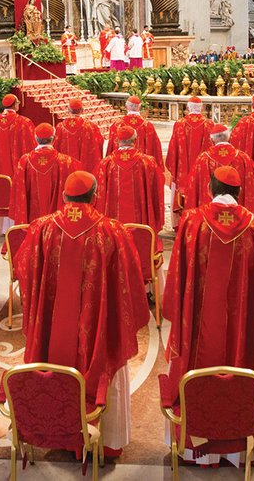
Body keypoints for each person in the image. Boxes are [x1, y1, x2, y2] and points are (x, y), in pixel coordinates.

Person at [14, 171, 149, 455]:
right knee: (105, 357)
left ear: (64, 197)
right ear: (95, 196)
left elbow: (23, 269)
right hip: (98, 330)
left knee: (50, 356)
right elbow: (131, 280)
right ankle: (107, 439)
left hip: (51, 331)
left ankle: (53, 429)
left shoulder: (42, 229)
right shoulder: (112, 231)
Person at [160, 165, 254, 466]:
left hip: (197, 324)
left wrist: (174, 310)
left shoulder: (192, 221)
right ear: (240, 192)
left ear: (210, 190)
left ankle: (194, 450)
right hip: (243, 326)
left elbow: (177, 278)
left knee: (194, 363)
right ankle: (237, 447)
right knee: (243, 360)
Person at [94, 125, 166, 234]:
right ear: (136, 140)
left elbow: (98, 192)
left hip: (113, 231)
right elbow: (159, 183)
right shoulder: (147, 162)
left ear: (117, 140)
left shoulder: (105, 164)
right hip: (142, 229)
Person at [11, 124, 81, 228]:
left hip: (31, 222)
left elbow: (18, 190)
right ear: (54, 139)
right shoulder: (67, 162)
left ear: (35, 138)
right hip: (58, 227)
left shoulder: (24, 161)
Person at [183, 124, 254, 214]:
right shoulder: (243, 158)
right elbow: (253, 185)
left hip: (209, 217)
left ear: (212, 139)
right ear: (229, 137)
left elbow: (192, 186)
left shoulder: (203, 159)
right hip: (240, 215)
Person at [165, 96, 213, 210]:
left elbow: (173, 149)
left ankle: (180, 214)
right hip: (203, 170)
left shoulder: (180, 124)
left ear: (188, 108)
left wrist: (174, 167)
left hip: (183, 170)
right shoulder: (208, 124)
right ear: (201, 108)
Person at [104, 95, 164, 167]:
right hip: (142, 166)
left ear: (126, 107)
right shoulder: (148, 126)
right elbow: (155, 148)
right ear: (139, 107)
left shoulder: (117, 125)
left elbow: (111, 147)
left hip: (118, 166)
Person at [0, 94, 35, 179]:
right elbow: (32, 144)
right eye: (18, 103)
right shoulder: (23, 122)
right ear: (15, 105)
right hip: (17, 168)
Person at [54, 98, 104, 173]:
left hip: (66, 170)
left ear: (68, 110)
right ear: (82, 110)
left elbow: (55, 146)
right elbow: (100, 143)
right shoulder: (91, 126)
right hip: (85, 171)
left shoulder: (60, 127)